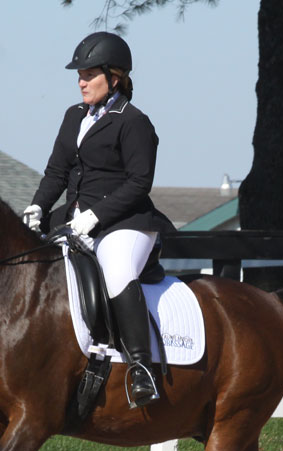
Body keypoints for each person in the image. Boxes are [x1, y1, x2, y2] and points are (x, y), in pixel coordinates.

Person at [23, 31, 175, 408]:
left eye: (89, 74)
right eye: (79, 75)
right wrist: (38, 207)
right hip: (74, 219)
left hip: (127, 222)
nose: (81, 82)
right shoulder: (73, 116)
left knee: (118, 268)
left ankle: (141, 369)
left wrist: (96, 215)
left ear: (115, 77)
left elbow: (140, 182)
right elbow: (57, 171)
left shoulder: (134, 122)